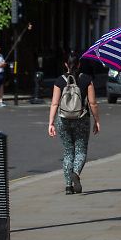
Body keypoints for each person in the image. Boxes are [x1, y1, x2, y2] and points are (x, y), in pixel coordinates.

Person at [47, 53, 101, 194]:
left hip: (63, 119)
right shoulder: (86, 80)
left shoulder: (60, 81)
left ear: (66, 64)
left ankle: (68, 186)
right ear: (79, 64)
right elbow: (93, 103)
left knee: (68, 152)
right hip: (81, 118)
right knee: (81, 150)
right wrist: (97, 120)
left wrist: (51, 123)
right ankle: (76, 173)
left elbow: (54, 103)